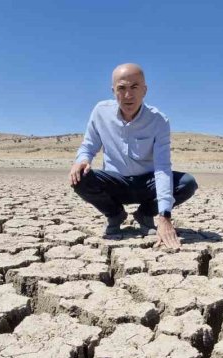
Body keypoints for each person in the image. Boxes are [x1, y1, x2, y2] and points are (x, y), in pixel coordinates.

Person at [69, 63, 198, 248]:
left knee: (187, 183)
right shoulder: (100, 112)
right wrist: (82, 160)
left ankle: (146, 214)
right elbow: (88, 146)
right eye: (121, 88)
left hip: (147, 183)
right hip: (116, 182)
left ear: (144, 90)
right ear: (113, 90)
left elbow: (162, 167)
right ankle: (115, 214)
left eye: (134, 87)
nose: (128, 95)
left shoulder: (159, 120)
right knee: (79, 177)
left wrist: (164, 215)